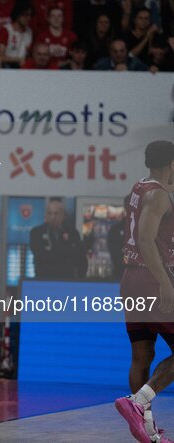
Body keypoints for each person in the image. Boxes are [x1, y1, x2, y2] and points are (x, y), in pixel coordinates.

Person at [115, 140, 174, 443]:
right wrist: (165, 281)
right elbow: (146, 240)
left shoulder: (139, 187)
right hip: (150, 278)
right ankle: (137, 403)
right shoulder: (160, 194)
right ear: (172, 165)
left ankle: (147, 431)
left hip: (130, 278)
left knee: (142, 353)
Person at [29, 199, 88, 278]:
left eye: (56, 214)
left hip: (66, 280)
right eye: (50, 213)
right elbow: (40, 256)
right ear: (45, 215)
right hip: (44, 280)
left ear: (63, 215)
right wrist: (65, 253)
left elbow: (80, 258)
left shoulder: (72, 233)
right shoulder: (36, 233)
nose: (52, 217)